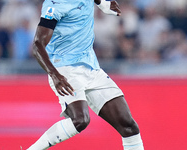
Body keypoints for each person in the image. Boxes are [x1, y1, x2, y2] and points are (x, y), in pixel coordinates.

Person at [27, 0, 144, 150]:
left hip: (92, 68)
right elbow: (38, 44)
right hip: (65, 69)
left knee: (129, 126)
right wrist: (55, 75)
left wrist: (103, 5)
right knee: (80, 120)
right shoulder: (54, 4)